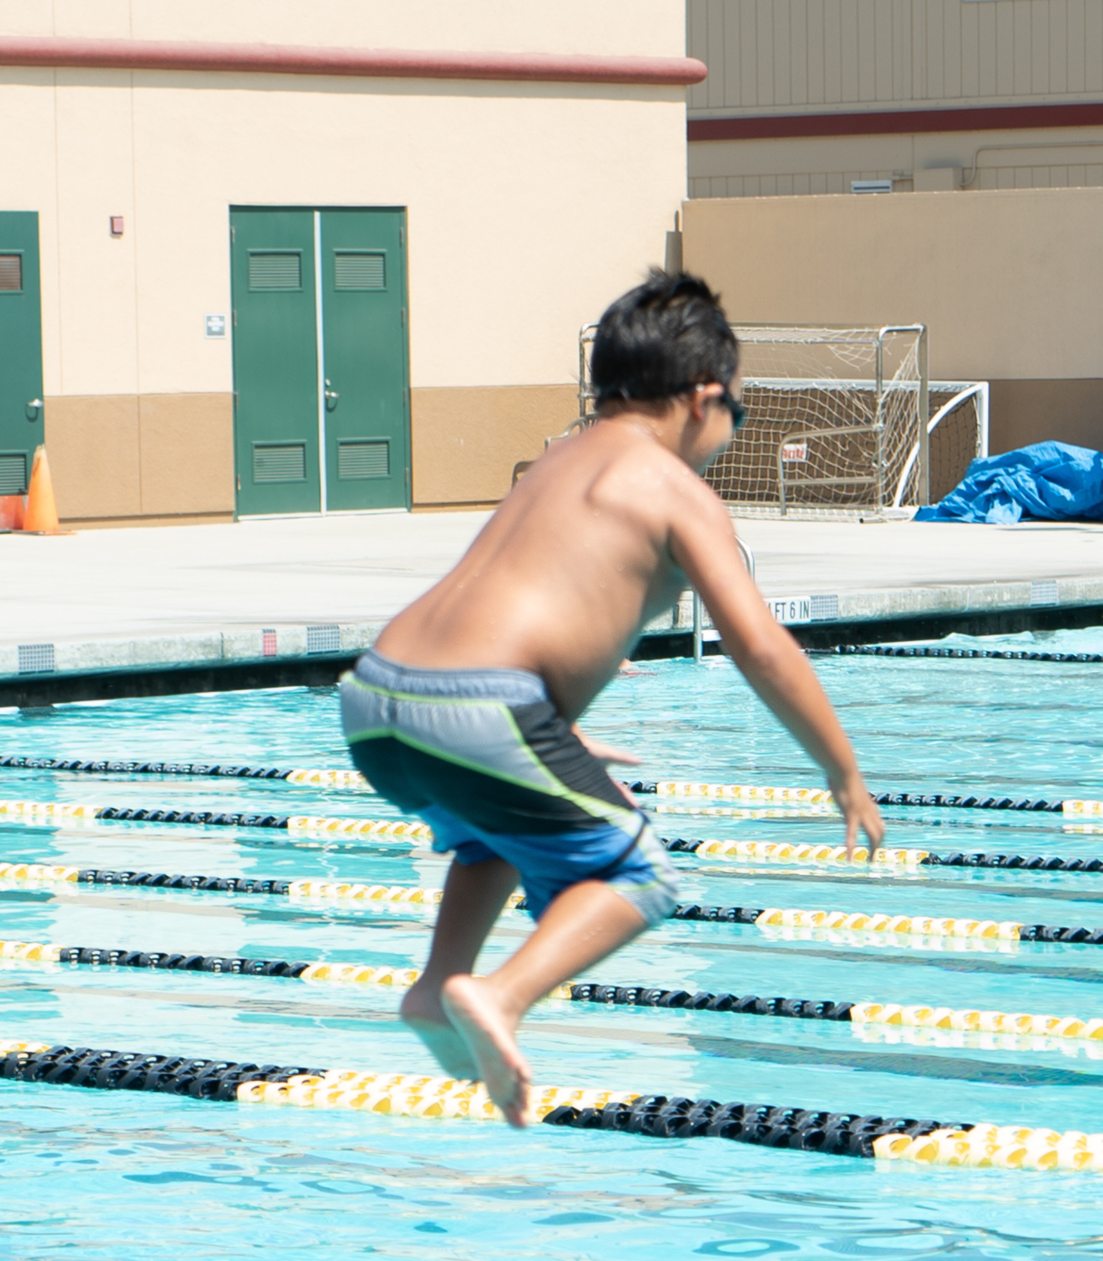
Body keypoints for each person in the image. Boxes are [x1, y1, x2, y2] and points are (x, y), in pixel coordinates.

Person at [342, 269, 886, 1125]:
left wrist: (548, 737)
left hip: (375, 703)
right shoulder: (674, 488)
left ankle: (433, 985)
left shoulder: (559, 458)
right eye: (736, 416)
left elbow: (513, 606)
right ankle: (502, 995)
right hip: (484, 712)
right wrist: (842, 769)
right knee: (641, 872)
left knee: (497, 829)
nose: (728, 434)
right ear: (703, 399)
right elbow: (758, 644)